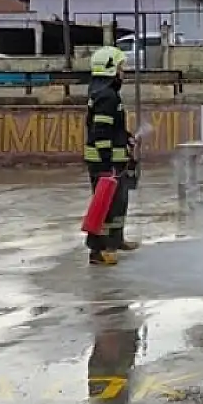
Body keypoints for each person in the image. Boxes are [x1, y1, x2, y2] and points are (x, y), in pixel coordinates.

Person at [83, 46, 132, 266]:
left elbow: (112, 128)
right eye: (121, 66)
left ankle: (115, 241)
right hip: (106, 163)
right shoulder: (107, 96)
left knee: (118, 203)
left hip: (113, 161)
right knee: (104, 205)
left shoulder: (108, 94)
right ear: (111, 68)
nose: (124, 71)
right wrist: (108, 164)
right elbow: (100, 133)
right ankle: (98, 250)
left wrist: (127, 137)